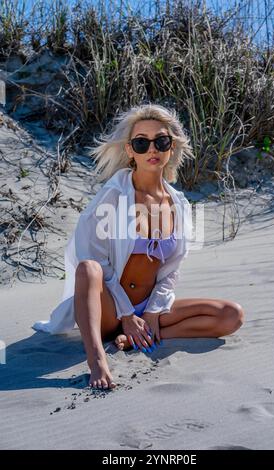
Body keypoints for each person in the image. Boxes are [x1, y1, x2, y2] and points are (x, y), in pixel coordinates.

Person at [33, 103, 244, 390]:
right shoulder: (113, 196)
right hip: (108, 309)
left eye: (161, 141)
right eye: (142, 143)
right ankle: (97, 358)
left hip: (147, 309)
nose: (152, 150)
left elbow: (171, 270)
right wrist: (126, 315)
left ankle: (139, 336)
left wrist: (152, 313)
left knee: (230, 316)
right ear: (130, 150)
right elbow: (93, 261)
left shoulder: (179, 204)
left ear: (171, 147)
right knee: (88, 268)